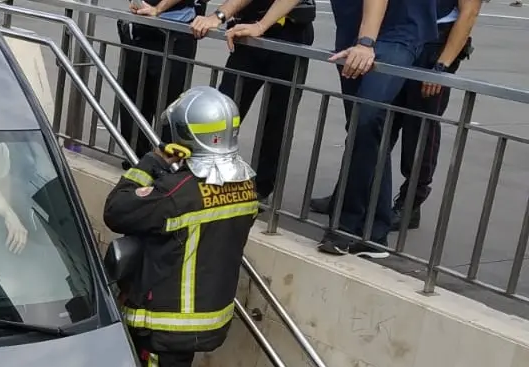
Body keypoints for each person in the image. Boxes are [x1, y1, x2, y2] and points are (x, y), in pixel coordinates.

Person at [103, 86, 258, 367]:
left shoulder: (177, 193)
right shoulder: (246, 186)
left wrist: (152, 160)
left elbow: (117, 209)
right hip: (209, 317)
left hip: (167, 322)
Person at [310, 0, 478, 230]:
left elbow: (469, 12)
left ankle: (409, 203)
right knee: (373, 122)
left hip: (435, 42)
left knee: (419, 128)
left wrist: (442, 65)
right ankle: (350, 194)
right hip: (393, 32)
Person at [311, 0, 437, 258]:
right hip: (352, 32)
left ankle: (346, 226)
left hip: (396, 34)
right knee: (364, 130)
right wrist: (260, 24)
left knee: (366, 117)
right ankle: (375, 233)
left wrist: (366, 42)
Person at [190, 0, 315, 203]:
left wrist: (218, 16)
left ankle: (260, 191)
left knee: (278, 118)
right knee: (224, 110)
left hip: (289, 32)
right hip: (248, 30)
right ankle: (206, 177)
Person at [116, 0, 206, 159]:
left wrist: (158, 9)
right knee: (134, 100)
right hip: (141, 27)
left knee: (170, 104)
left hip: (175, 30)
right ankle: (136, 158)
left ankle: (166, 161)